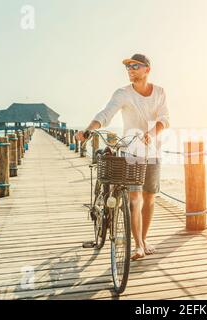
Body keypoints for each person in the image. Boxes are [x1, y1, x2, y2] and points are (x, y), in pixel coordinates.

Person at [75, 53, 170, 260]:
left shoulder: (160, 92)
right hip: (131, 152)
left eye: (135, 66)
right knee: (134, 198)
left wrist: (152, 134)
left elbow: (165, 119)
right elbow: (105, 115)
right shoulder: (123, 93)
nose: (130, 69)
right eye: (128, 67)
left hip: (153, 152)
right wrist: (88, 130)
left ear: (147, 69)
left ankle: (143, 239)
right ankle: (137, 246)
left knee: (149, 197)